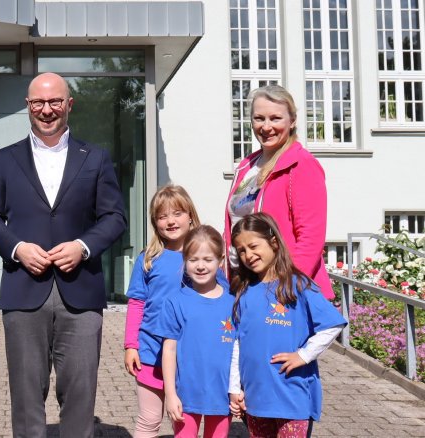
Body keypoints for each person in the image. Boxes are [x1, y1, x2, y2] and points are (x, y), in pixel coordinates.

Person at [0, 72, 126, 437]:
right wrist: (17, 248)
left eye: (55, 102)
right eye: (38, 103)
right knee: (27, 400)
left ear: (69, 104)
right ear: (28, 107)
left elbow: (115, 217)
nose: (47, 110)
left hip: (81, 292)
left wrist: (83, 246)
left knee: (79, 396)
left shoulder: (96, 158)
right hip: (24, 290)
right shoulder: (4, 159)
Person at [228, 213, 346, 437]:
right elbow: (237, 343)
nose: (248, 255)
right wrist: (234, 387)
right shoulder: (243, 291)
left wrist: (303, 355)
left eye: (253, 246)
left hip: (292, 396)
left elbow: (333, 324)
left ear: (273, 242)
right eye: (241, 250)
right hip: (256, 398)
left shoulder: (298, 284)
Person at [224, 85, 332, 299]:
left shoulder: (301, 165)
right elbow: (233, 224)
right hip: (245, 286)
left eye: (275, 118)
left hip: (281, 292)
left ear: (292, 121)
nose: (266, 127)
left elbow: (310, 238)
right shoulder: (247, 166)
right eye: (259, 118)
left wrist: (286, 288)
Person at [123, 185, 202, 437]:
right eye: (162, 216)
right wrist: (130, 345)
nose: (170, 221)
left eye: (177, 213)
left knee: (184, 422)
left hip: (190, 355)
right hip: (150, 352)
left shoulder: (205, 258)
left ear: (190, 215)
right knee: (148, 420)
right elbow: (136, 303)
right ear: (155, 223)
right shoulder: (148, 259)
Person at [153, 226, 234, 438]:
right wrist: (170, 394)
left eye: (208, 259)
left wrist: (238, 390)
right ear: (184, 260)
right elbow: (168, 350)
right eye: (193, 259)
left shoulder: (233, 304)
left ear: (221, 260)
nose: (200, 266)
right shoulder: (175, 302)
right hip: (186, 395)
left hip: (222, 395)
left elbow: (239, 352)